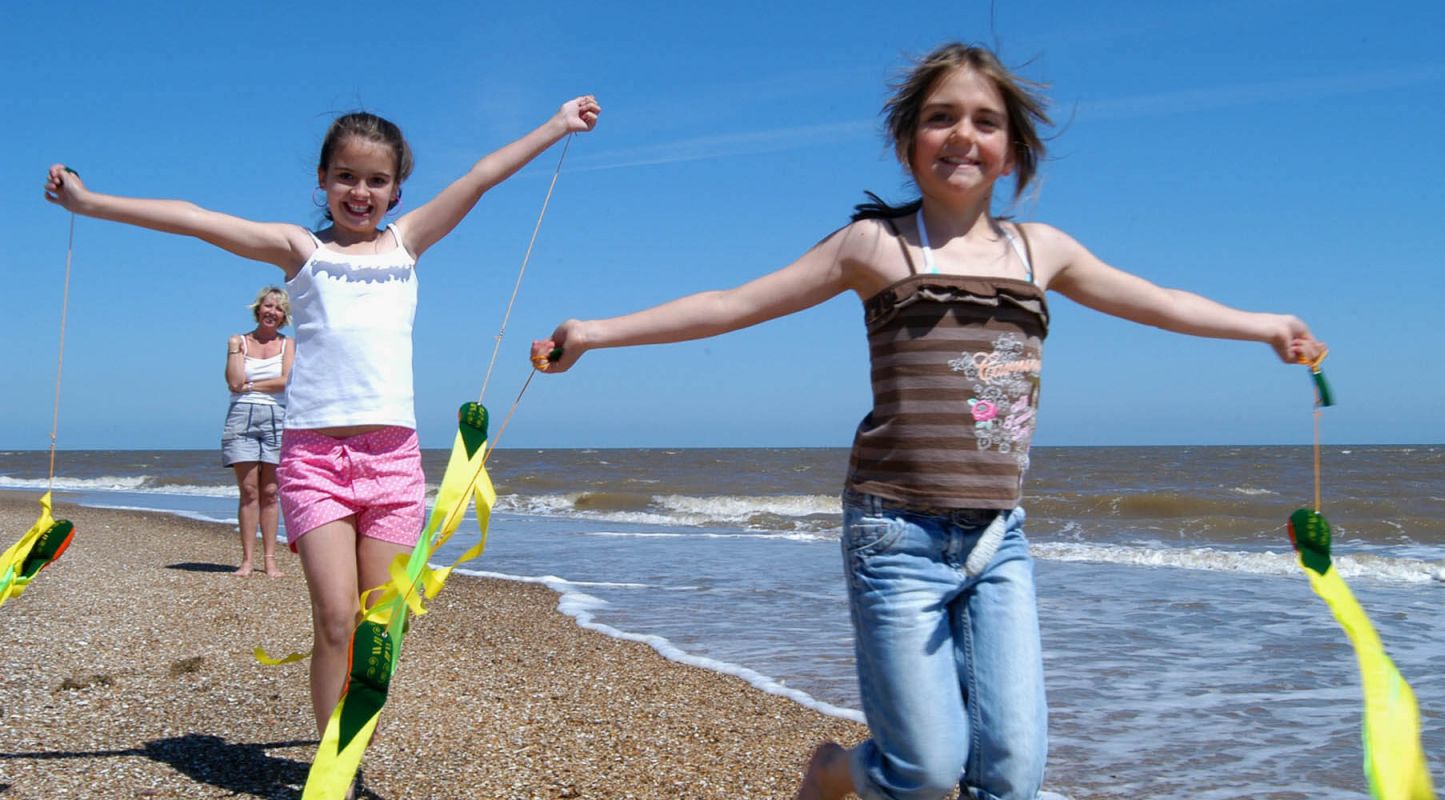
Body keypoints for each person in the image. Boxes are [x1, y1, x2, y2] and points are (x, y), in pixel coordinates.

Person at [531, 44, 1323, 800]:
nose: (963, 135)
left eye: (985, 121)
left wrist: (1263, 325)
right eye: (941, 117)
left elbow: (1158, 300)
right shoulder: (876, 246)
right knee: (925, 773)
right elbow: (731, 305)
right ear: (908, 143)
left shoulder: (1039, 251)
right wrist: (597, 332)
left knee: (1011, 777)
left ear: (1012, 152)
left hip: (997, 539)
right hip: (894, 534)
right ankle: (836, 773)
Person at [44, 95, 601, 786]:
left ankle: (351, 759)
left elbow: (482, 176)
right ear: (322, 179)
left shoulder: (408, 243)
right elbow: (197, 221)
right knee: (335, 618)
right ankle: (335, 773)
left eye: (375, 180)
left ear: (397, 189)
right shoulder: (300, 253)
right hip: (313, 462)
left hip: (392, 461)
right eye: (345, 176)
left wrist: (555, 125)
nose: (359, 192)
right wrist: (90, 204)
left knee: (379, 632)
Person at [223, 285, 295, 578]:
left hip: (277, 416)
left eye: (278, 308)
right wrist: (233, 351)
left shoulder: (287, 344)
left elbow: (285, 381)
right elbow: (234, 381)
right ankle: (247, 560)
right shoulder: (238, 341)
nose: (272, 312)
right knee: (249, 490)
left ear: (283, 316)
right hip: (242, 417)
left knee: (270, 491)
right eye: (268, 306)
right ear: (258, 309)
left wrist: (252, 386)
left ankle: (270, 560)